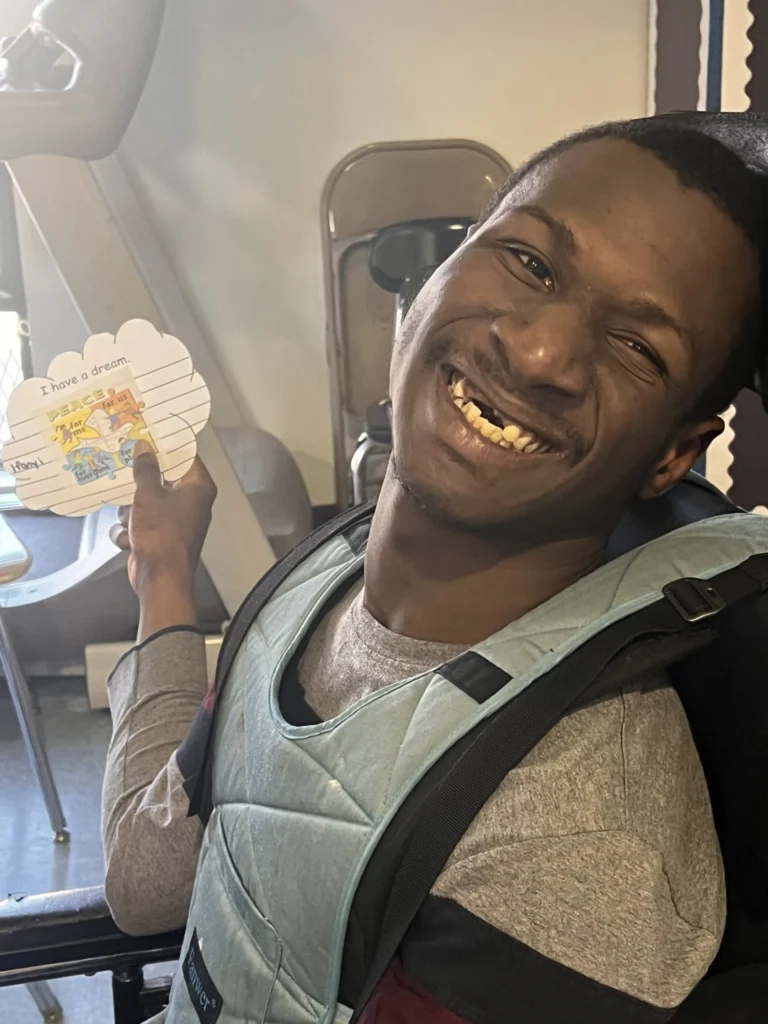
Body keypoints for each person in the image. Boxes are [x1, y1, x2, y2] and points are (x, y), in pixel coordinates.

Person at [102, 117, 766, 1023]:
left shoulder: (575, 844)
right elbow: (148, 882)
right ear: (429, 283)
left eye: (637, 347)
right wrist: (164, 572)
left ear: (675, 455)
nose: (539, 353)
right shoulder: (310, 593)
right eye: (530, 262)